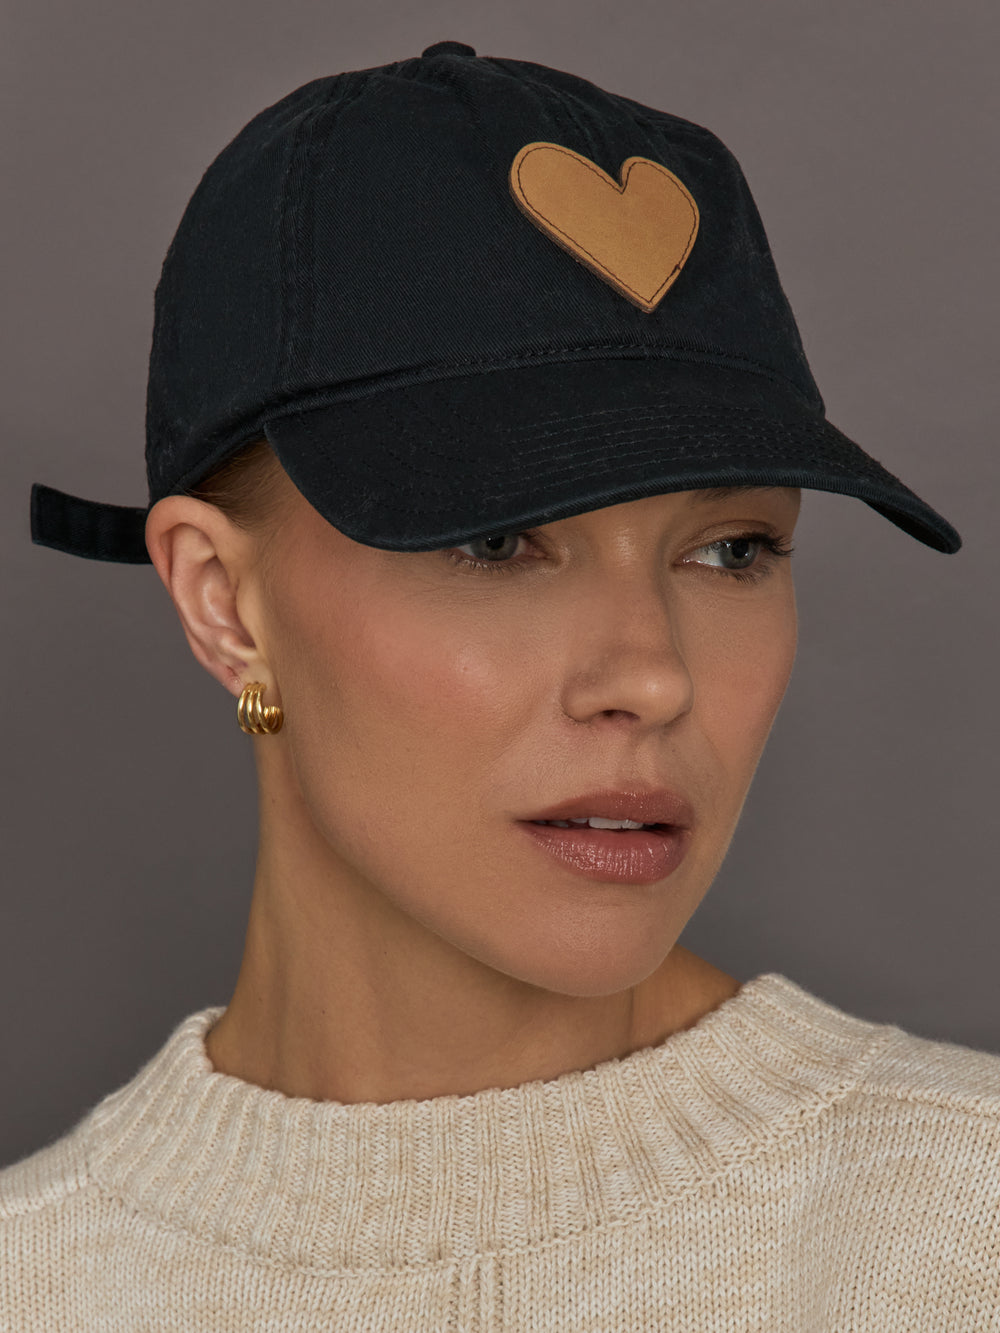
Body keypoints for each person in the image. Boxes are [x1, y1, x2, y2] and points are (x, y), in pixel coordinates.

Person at [4, 39, 997, 1331]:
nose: (649, 673)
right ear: (222, 602)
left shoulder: (960, 1230)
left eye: (731, 549)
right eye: (497, 540)